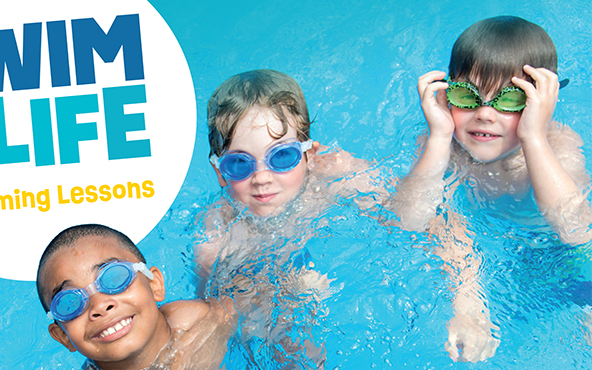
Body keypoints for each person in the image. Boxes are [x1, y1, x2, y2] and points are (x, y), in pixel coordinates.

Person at [387, 16, 592, 362]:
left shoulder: (557, 144)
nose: (484, 113)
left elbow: (575, 228)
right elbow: (408, 221)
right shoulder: (444, 147)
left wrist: (533, 136)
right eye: (467, 96)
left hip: (564, 257)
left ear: (539, 103)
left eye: (509, 100)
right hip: (484, 257)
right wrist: (438, 135)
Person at [198, 69, 386, 275]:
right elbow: (213, 306)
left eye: (281, 156)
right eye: (239, 163)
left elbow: (406, 214)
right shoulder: (216, 236)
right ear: (219, 171)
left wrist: (429, 145)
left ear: (309, 155)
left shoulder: (334, 174)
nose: (261, 177)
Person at [36, 224, 235, 370]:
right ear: (63, 337)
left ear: (154, 284)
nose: (99, 305)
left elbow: (252, 297)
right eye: (70, 302)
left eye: (113, 278)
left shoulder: (203, 320)